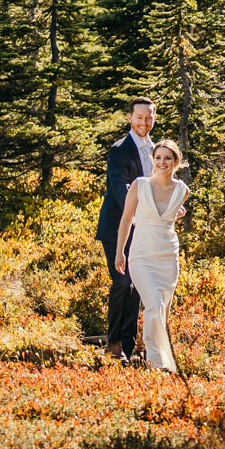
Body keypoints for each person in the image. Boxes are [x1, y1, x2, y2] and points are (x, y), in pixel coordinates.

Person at [114, 139, 190, 373]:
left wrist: (176, 213)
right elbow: (127, 218)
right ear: (153, 160)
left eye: (167, 158)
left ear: (176, 162)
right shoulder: (140, 185)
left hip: (167, 255)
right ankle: (157, 362)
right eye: (158, 158)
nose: (162, 162)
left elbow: (170, 214)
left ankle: (160, 356)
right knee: (153, 306)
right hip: (141, 255)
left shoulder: (182, 190)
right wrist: (120, 252)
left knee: (163, 311)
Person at [95, 98, 156, 361]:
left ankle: (129, 346)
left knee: (137, 285)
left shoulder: (156, 150)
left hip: (144, 230)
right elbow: (120, 188)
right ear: (129, 118)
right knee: (122, 281)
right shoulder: (119, 149)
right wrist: (136, 215)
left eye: (149, 117)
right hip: (117, 227)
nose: (144, 122)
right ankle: (114, 342)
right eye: (139, 117)